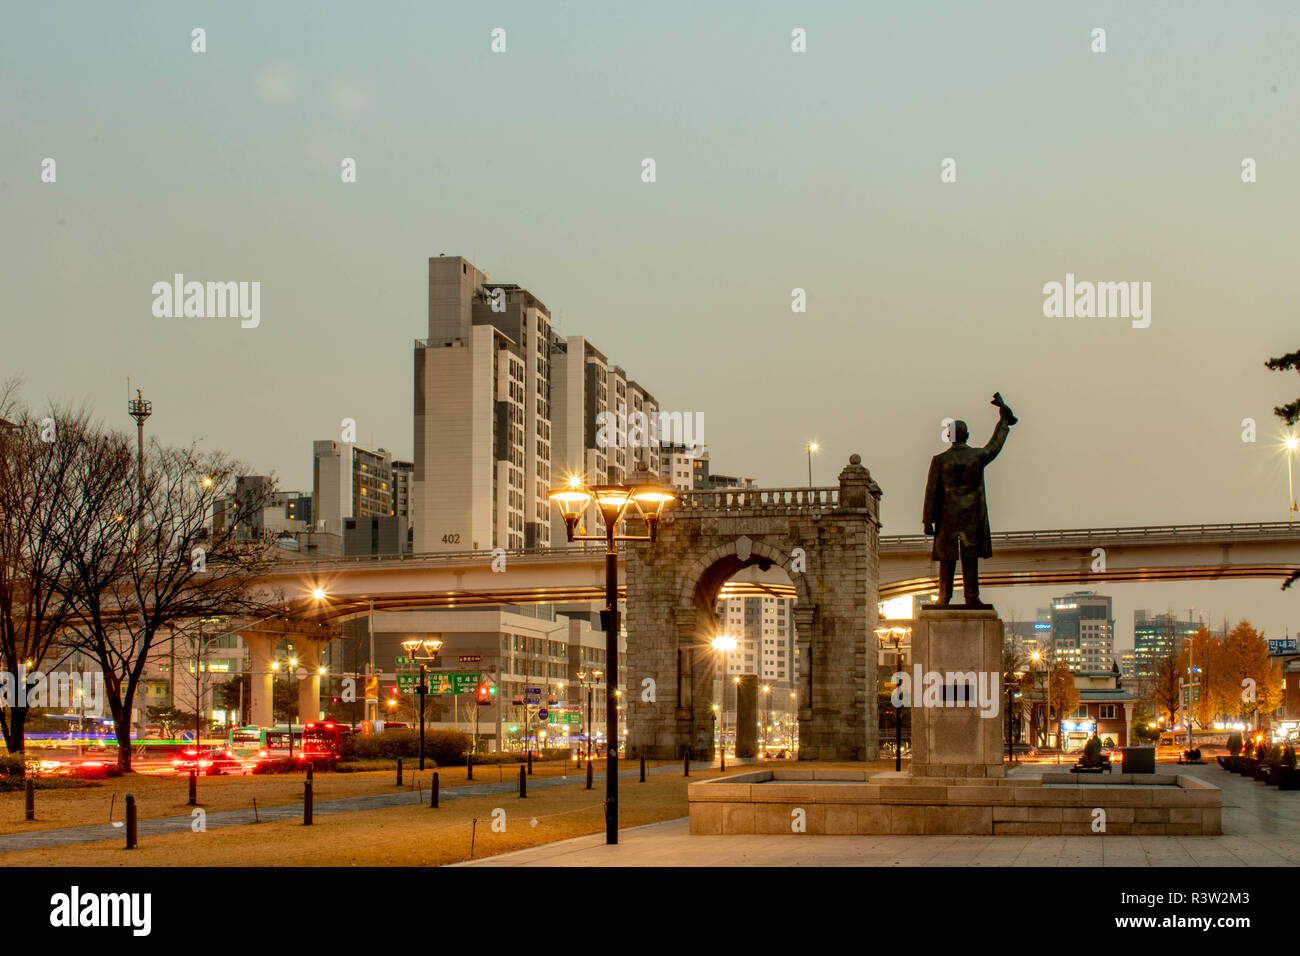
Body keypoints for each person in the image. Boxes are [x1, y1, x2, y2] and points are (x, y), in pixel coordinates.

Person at [923, 394, 1017, 607]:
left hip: (947, 516)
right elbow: (995, 446)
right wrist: (1003, 422)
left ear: (950, 436)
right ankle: (972, 596)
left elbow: (932, 491)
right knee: (970, 556)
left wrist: (928, 520)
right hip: (972, 515)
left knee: (947, 559)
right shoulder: (977, 456)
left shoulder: (940, 460)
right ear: (967, 435)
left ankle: (944, 597)